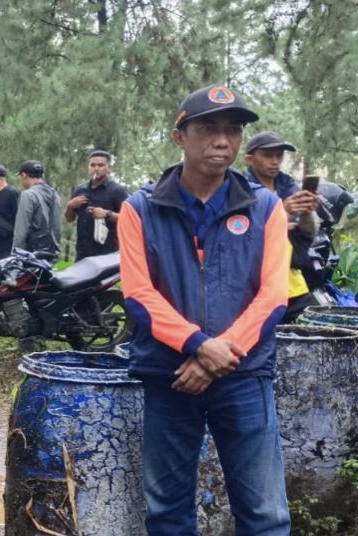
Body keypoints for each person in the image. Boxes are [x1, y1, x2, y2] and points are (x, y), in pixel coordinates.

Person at [117, 84, 291, 534]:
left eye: (232, 131)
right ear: (180, 136)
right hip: (169, 377)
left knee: (264, 515)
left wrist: (220, 354)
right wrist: (195, 344)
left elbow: (273, 295)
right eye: (209, 129)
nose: (223, 141)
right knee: (167, 512)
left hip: (244, 376)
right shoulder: (140, 209)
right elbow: (138, 292)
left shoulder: (266, 208)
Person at [243, 132, 320, 323]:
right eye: (268, 155)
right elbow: (244, 234)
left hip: (291, 281)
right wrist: (282, 213)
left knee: (318, 328)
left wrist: (306, 211)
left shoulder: (288, 186)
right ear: (249, 159)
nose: (275, 161)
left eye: (279, 155)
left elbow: (307, 233)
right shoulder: (241, 189)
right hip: (256, 286)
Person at [64, 150, 129, 260]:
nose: (96, 168)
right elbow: (69, 219)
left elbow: (129, 219)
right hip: (82, 252)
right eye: (92, 165)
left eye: (101, 165)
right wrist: (70, 206)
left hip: (107, 254)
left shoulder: (117, 191)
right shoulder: (81, 190)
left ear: (109, 168)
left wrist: (107, 214)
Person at [12, 160, 62, 262]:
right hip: (51, 254)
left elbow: (21, 231)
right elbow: (57, 227)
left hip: (31, 255)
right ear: (42, 175)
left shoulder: (28, 195)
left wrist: (16, 255)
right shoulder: (55, 195)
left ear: (24, 175)